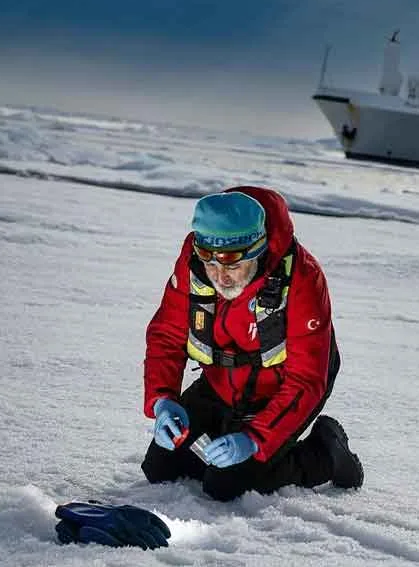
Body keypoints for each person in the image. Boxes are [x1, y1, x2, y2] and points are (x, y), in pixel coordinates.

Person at [140, 186, 363, 501]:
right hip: (221, 382)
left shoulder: (303, 277)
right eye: (212, 263)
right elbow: (167, 334)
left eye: (232, 264)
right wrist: (163, 400)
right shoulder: (193, 263)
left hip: (289, 387)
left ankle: (326, 453)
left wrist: (255, 439)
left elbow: (305, 380)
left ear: (258, 249)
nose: (221, 276)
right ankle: (226, 437)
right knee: (161, 468)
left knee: (227, 485)